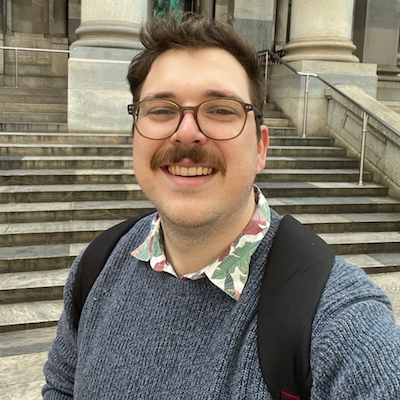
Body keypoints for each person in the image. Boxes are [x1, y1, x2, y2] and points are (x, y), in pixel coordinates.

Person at [43, 13, 400, 399]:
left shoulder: (341, 324)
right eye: (161, 109)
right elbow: (62, 389)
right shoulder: (96, 266)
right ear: (135, 137)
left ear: (261, 147)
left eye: (221, 109)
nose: (187, 132)